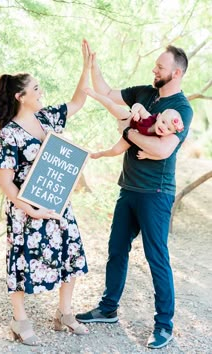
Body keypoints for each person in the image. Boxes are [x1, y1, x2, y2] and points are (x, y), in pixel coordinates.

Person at [76, 43, 193, 349]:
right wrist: (92, 64)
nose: (154, 70)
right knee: (116, 248)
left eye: (160, 67)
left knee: (157, 258)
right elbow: (108, 92)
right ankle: (108, 308)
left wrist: (128, 133)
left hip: (156, 193)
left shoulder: (182, 109)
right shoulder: (145, 93)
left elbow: (162, 149)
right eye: (155, 65)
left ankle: (164, 325)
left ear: (177, 73)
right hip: (128, 187)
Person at [0, 40, 92, 346]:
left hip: (58, 204)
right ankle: (20, 322)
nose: (40, 91)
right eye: (35, 88)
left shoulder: (46, 117)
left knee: (70, 255)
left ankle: (65, 314)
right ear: (20, 96)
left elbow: (78, 102)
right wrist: (29, 209)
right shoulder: (8, 133)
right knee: (21, 265)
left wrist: (86, 69)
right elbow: (5, 182)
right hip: (26, 212)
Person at [84, 87, 184, 160]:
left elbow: (161, 155)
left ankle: (101, 154)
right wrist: (135, 112)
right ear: (158, 116)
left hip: (132, 136)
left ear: (171, 133)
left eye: (169, 129)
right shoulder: (148, 118)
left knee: (116, 150)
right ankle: (94, 94)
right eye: (163, 122)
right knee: (113, 106)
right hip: (131, 119)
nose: (163, 127)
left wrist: (147, 155)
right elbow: (138, 105)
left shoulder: (158, 140)